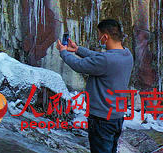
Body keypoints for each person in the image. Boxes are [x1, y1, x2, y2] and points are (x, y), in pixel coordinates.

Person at [57, 19, 134, 153]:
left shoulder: (105, 60)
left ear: (105, 37)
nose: (98, 38)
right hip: (117, 116)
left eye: (99, 35)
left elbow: (78, 65)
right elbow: (100, 57)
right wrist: (78, 50)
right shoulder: (127, 54)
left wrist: (63, 52)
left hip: (101, 118)